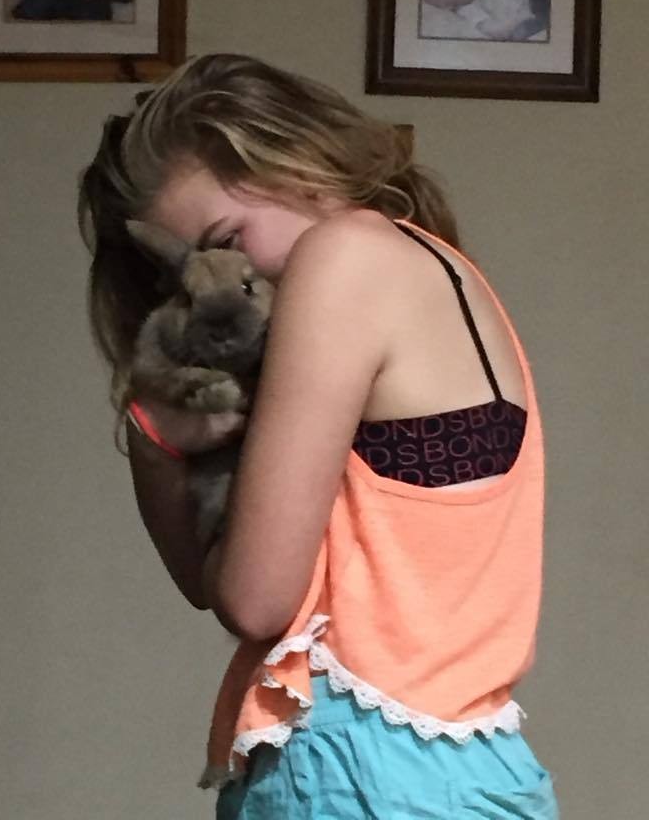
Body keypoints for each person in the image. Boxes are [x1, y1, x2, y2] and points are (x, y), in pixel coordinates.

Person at [78, 54, 560, 818]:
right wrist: (164, 430)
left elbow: (251, 599)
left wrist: (155, 432)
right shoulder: (443, 270)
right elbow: (211, 577)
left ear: (284, 157)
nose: (225, 279)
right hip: (467, 769)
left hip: (361, 774)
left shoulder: (344, 258)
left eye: (230, 240)